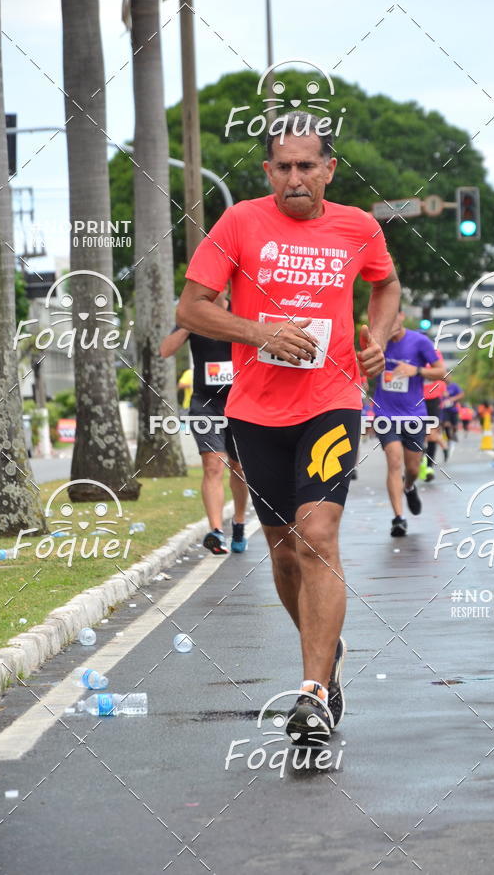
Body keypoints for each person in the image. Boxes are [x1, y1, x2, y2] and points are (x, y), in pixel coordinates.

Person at [175, 112, 399, 742]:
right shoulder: (241, 221)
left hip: (330, 403)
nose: (296, 177)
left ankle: (311, 692)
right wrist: (259, 331)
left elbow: (386, 286)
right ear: (269, 171)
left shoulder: (357, 228)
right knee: (282, 552)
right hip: (254, 411)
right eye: (284, 167)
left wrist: (375, 337)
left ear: (329, 170)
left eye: (308, 166)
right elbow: (190, 306)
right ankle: (325, 663)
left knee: (315, 535)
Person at [160, 296, 249, 555]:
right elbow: (165, 350)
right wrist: (189, 323)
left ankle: (239, 522)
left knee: (239, 467)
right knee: (212, 465)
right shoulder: (194, 315)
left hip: (239, 401)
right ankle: (217, 532)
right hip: (205, 403)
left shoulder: (241, 310)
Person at [373, 310, 446, 536]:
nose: (390, 324)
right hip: (384, 413)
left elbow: (441, 371)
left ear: (402, 316)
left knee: (412, 468)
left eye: (393, 318)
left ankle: (409, 486)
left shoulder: (420, 342)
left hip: (414, 415)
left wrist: (416, 370)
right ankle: (398, 518)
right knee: (394, 461)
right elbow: (363, 369)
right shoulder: (377, 342)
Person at [423, 349, 448, 479]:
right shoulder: (411, 353)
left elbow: (441, 371)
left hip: (433, 400)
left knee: (432, 436)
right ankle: (416, 464)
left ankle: (429, 468)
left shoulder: (436, 353)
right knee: (416, 434)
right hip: (415, 399)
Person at [440, 381, 465, 451]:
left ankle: (454, 433)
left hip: (454, 410)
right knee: (446, 424)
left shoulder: (454, 386)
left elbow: (461, 394)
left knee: (455, 426)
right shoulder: (439, 385)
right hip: (444, 410)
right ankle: (449, 439)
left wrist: (453, 399)